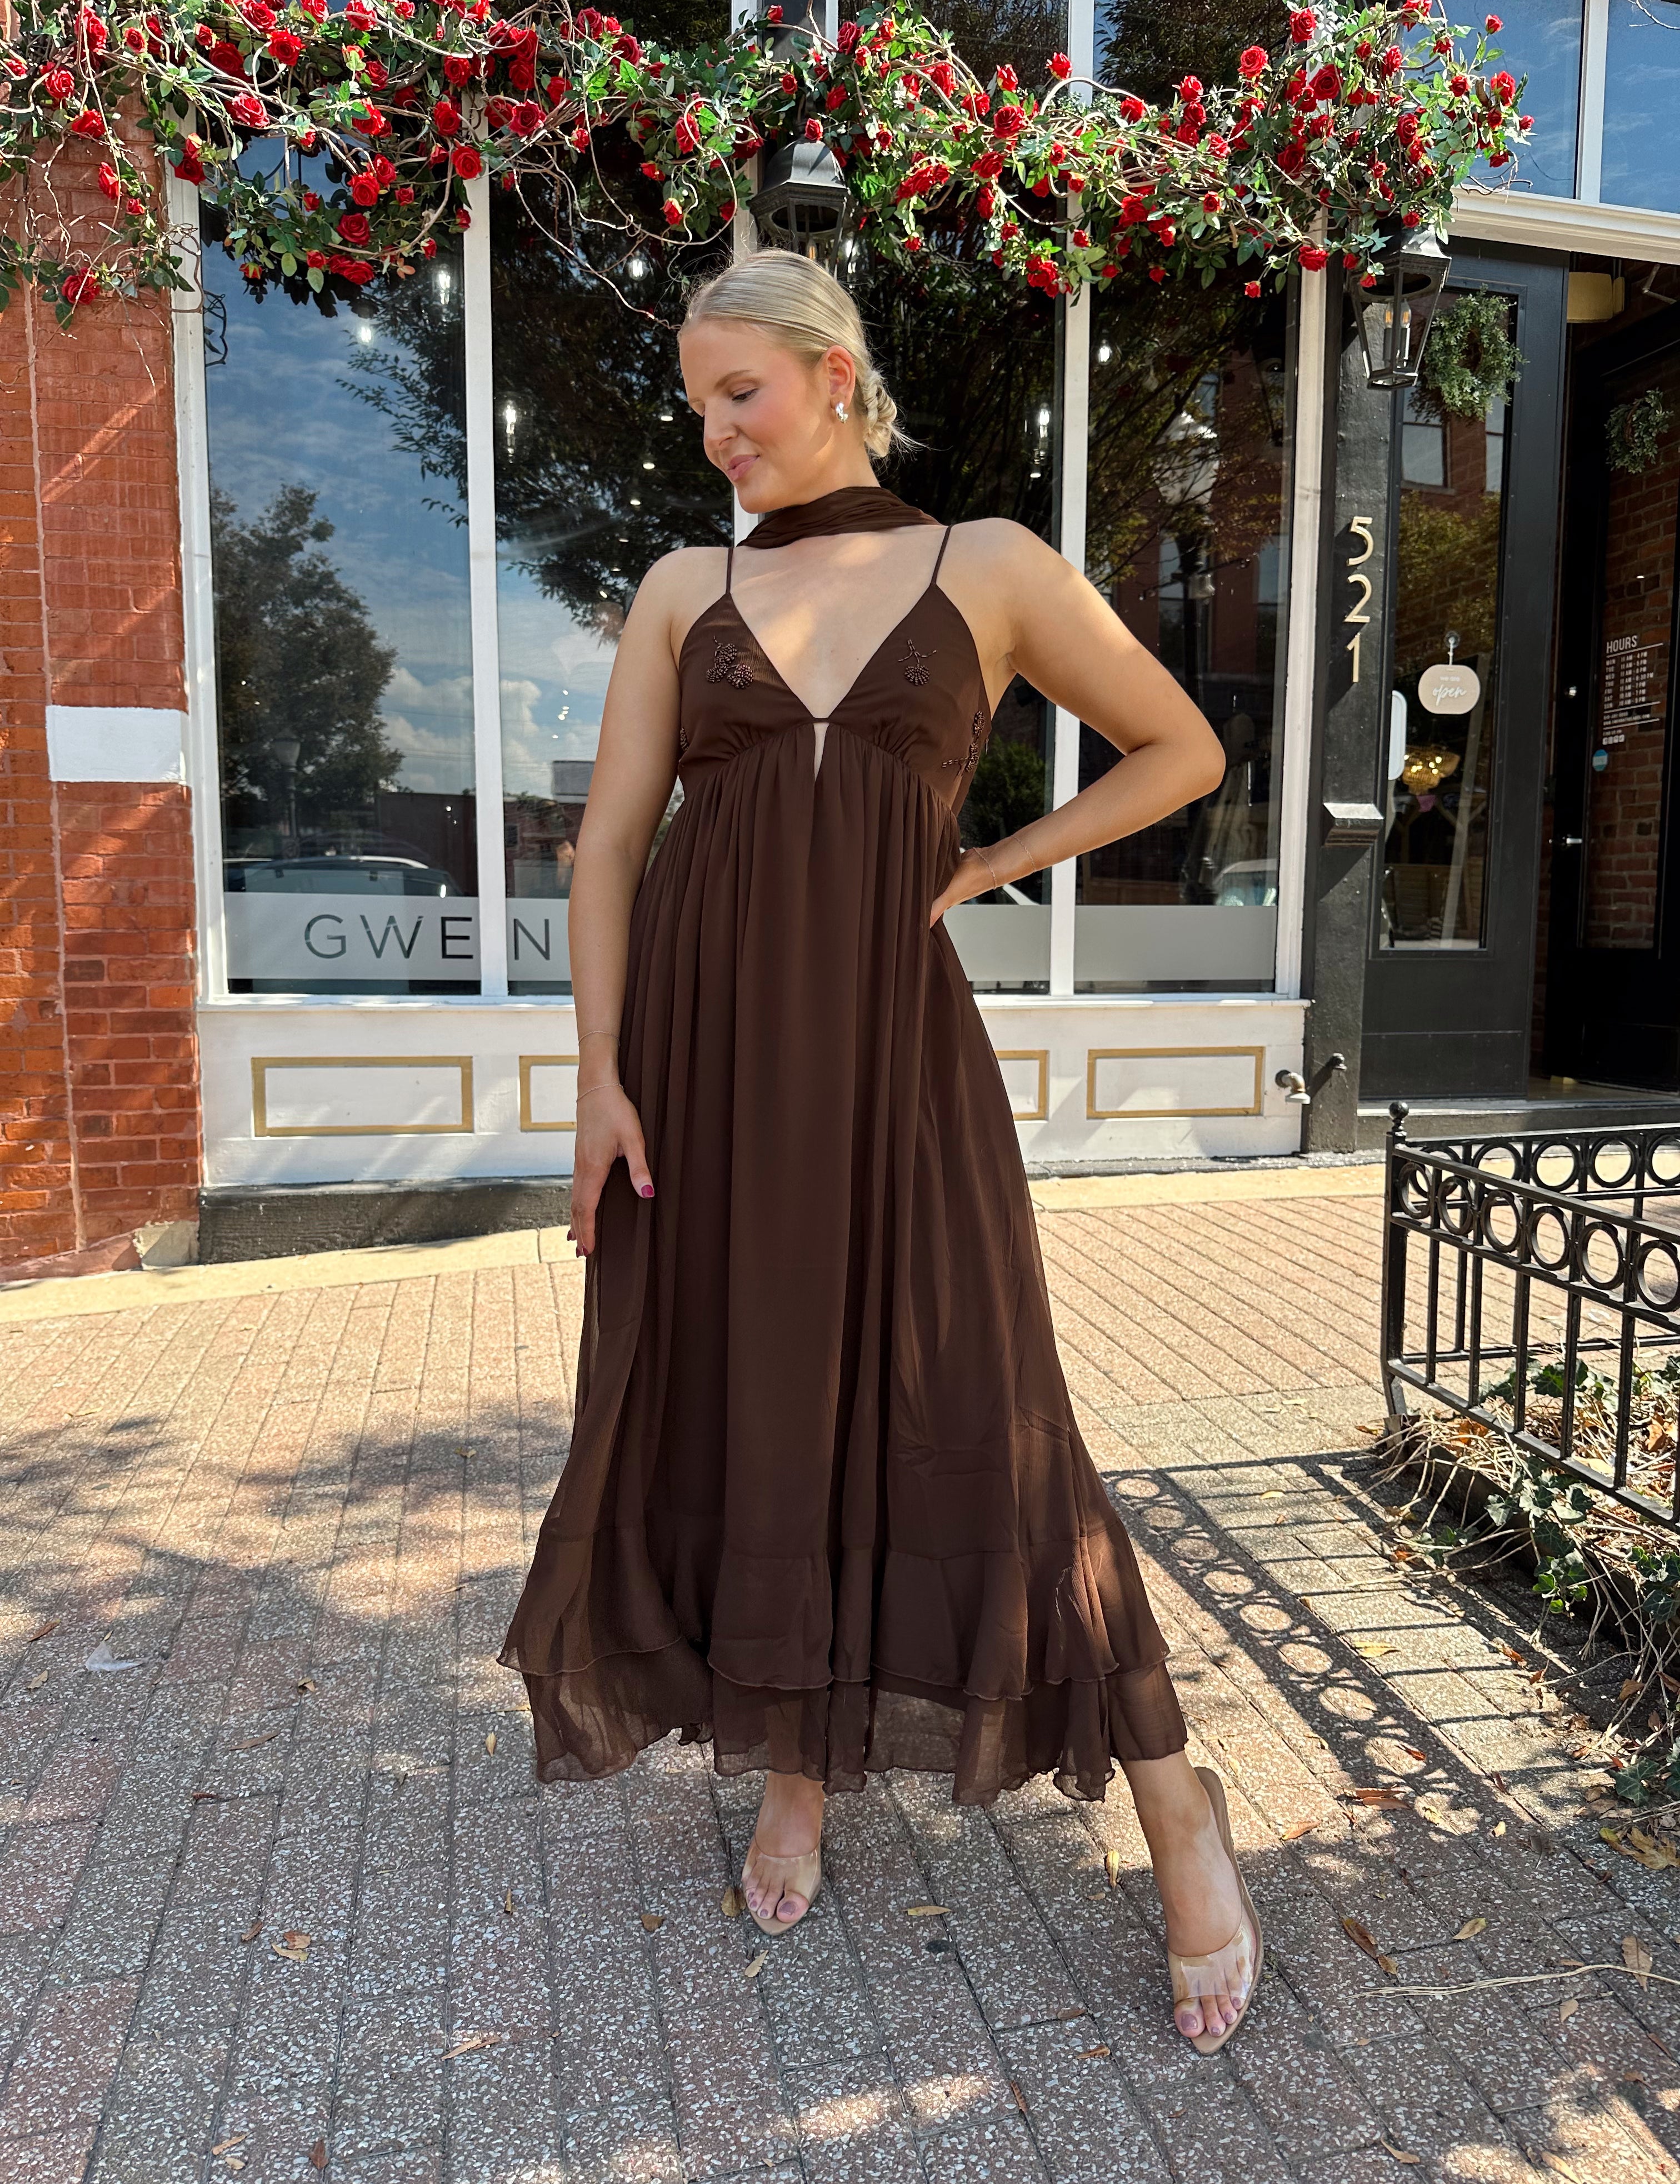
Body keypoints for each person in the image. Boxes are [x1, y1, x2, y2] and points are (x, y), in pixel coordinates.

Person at [499, 248, 1262, 2053]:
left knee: (993, 1418)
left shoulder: (982, 562)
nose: (713, 436)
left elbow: (1183, 747)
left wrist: (992, 864)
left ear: (834, 372)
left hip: (902, 1068)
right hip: (701, 1064)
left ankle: (1174, 1799)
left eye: (737, 396)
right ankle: (796, 1768)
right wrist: (602, 1078)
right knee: (757, 1402)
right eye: (696, 406)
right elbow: (609, 846)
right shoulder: (686, 587)